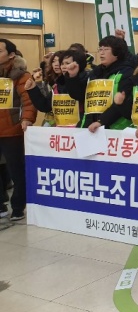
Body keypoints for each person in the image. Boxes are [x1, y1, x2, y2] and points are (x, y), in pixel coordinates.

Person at [0, 38, 37, 221]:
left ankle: (17, 206)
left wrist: (27, 119)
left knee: (16, 171)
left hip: (12, 130)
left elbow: (28, 101)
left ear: (11, 55)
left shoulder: (22, 76)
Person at [84, 36, 135, 132]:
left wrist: (101, 121)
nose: (101, 53)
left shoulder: (127, 72)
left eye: (106, 49)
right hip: (92, 125)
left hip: (116, 128)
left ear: (117, 52)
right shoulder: (95, 72)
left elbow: (121, 103)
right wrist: (72, 77)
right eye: (100, 49)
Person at [25, 50, 87, 127]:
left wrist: (72, 78)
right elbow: (45, 106)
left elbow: (78, 95)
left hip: (81, 129)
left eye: (67, 63)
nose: (63, 66)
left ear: (78, 65)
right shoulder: (58, 85)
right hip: (60, 130)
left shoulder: (86, 81)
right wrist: (33, 89)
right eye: (62, 63)